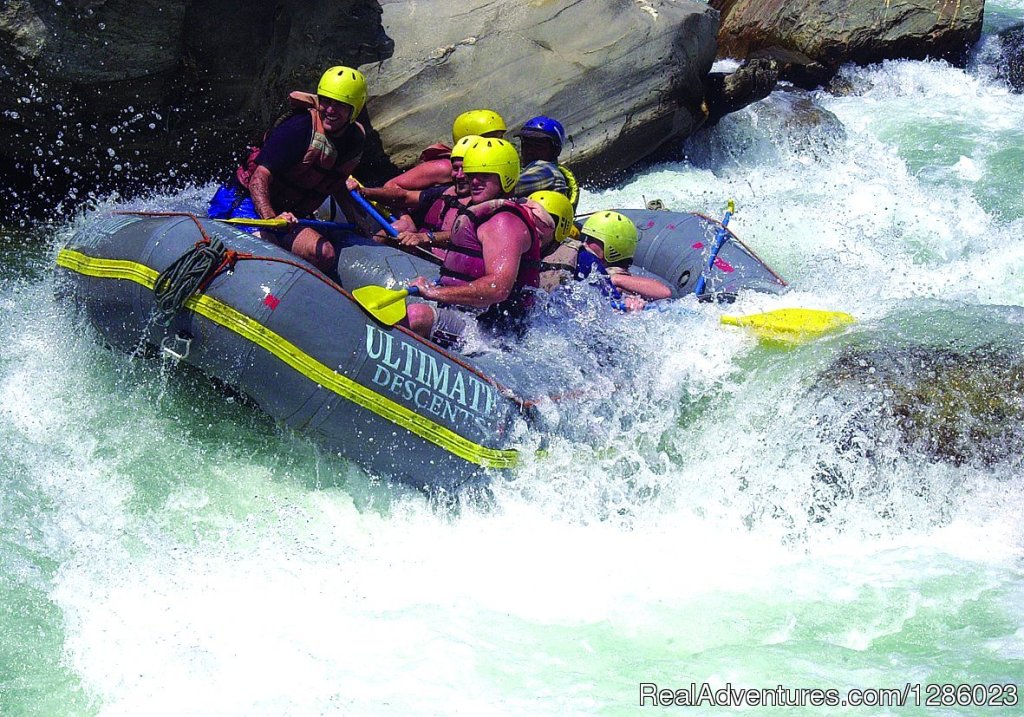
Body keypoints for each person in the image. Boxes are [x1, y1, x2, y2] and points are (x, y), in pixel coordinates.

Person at [208, 66, 368, 273]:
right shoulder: (299, 128)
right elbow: (259, 178)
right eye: (326, 101)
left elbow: (335, 182)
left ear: (353, 109)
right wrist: (270, 218)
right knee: (269, 249)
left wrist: (355, 219)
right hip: (245, 201)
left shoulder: (354, 141)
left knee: (324, 254)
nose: (329, 110)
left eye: (339, 105)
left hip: (292, 212)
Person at [404, 138, 554, 347]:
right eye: (472, 174)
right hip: (469, 315)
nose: (474, 181)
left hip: (492, 332)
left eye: (485, 175)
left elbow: (497, 288)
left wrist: (434, 292)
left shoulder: (504, 222)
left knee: (416, 315)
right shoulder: (483, 214)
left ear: (506, 178)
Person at [540, 210, 672, 305]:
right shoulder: (588, 267)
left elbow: (664, 292)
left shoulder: (616, 276)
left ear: (611, 246)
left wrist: (612, 279)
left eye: (591, 239)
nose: (585, 243)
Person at [383, 109, 507, 192]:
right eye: (492, 138)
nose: (499, 143)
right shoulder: (445, 167)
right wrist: (405, 218)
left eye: (500, 137)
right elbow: (390, 186)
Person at [512, 116, 579, 209]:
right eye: (526, 144)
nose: (529, 150)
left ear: (555, 150)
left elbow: (506, 188)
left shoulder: (546, 170)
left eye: (538, 146)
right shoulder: (529, 169)